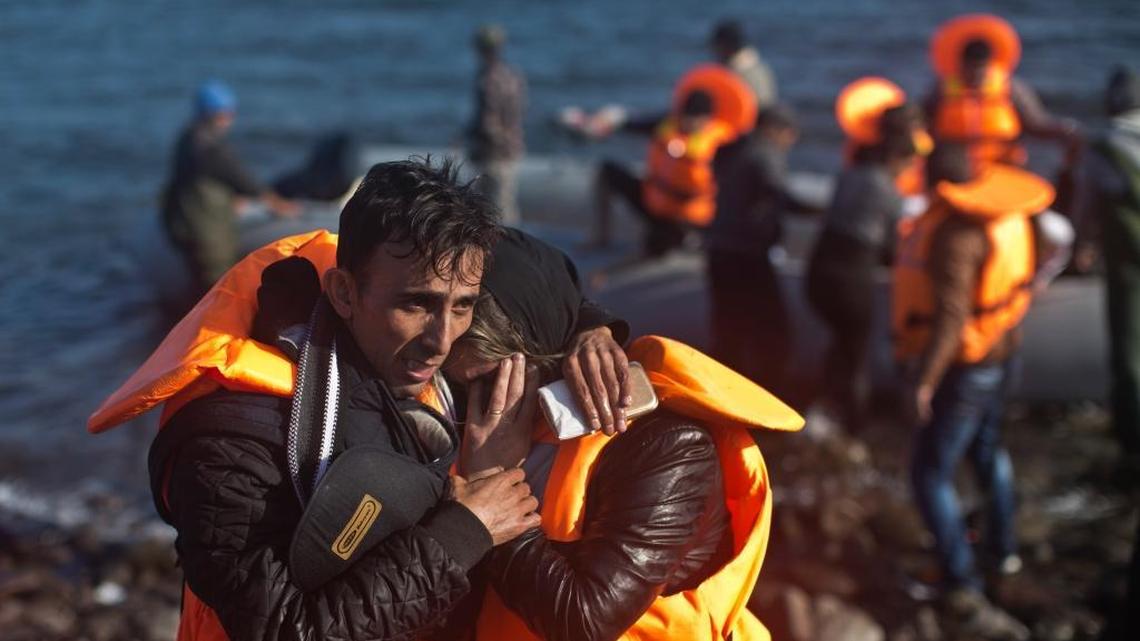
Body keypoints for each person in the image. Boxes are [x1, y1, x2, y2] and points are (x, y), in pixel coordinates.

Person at [91, 159, 542, 641]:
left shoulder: (400, 355)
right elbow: (286, 629)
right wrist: (462, 533)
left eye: (463, 306)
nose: (443, 341)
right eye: (416, 304)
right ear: (344, 293)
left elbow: (548, 284)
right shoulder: (231, 443)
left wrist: (593, 333)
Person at [438, 228, 803, 641]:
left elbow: (585, 622)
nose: (471, 404)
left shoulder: (667, 446)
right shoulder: (464, 413)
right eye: (456, 384)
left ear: (540, 350)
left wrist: (490, 488)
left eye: (487, 381)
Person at [893, 144, 1054, 640]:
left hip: (967, 367)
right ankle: (1002, 550)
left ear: (939, 185)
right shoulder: (1007, 217)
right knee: (988, 451)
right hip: (1005, 353)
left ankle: (957, 575)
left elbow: (951, 320)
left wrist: (925, 381)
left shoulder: (955, 236)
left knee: (929, 473)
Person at [805, 103, 918, 433]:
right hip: (850, 279)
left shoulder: (849, 174)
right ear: (897, 159)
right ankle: (855, 425)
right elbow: (890, 250)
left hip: (817, 272)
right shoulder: (889, 193)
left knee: (840, 341)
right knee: (855, 354)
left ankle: (824, 405)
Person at [706, 104, 817, 397]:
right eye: (789, 135)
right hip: (746, 255)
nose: (789, 142)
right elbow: (779, 194)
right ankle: (770, 395)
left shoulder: (732, 150)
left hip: (719, 248)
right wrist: (822, 212)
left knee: (729, 329)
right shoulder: (764, 153)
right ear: (774, 130)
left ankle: (720, 395)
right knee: (773, 331)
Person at [161, 80, 299, 300]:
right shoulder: (211, 149)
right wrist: (277, 204)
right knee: (216, 283)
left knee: (198, 277)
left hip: (183, 222)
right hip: (205, 230)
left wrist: (230, 199)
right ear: (219, 114)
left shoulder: (188, 139)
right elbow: (243, 180)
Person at [1074, 67, 1140, 469]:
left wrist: (1082, 244)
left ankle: (1132, 437)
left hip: (1130, 263)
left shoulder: (1104, 145)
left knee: (1130, 349)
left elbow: (1087, 204)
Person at [591, 90, 736, 260]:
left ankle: (689, 239)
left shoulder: (724, 143)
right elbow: (634, 124)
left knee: (659, 249)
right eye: (687, 116)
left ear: (707, 119)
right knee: (607, 170)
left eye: (696, 118)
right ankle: (601, 238)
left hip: (694, 218)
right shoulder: (666, 125)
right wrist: (609, 123)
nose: (689, 123)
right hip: (656, 205)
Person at [924, 14, 1081, 169]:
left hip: (1005, 167)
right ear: (961, 66)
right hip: (957, 170)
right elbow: (922, 123)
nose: (975, 76)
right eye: (970, 70)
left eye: (980, 70)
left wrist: (1065, 130)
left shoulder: (1012, 89)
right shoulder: (941, 90)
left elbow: (1036, 124)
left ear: (989, 65)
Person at [467, 24, 527, 225]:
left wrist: (474, 142)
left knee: (490, 208)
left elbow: (487, 123)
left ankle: (499, 252)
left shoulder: (486, 79)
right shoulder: (513, 76)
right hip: (512, 149)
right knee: (506, 205)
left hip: (491, 152)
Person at [708, 18, 778, 109]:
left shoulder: (736, 74)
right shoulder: (759, 66)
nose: (714, 51)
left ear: (726, 45)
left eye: (717, 46)